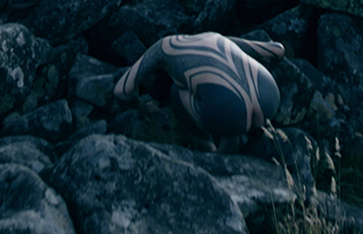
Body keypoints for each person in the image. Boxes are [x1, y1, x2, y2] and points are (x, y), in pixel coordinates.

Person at [113, 32, 287, 150]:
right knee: (220, 89)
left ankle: (209, 148)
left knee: (175, 92)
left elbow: (121, 90)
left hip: (229, 110)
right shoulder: (215, 36)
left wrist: (145, 107)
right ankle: (236, 136)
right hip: (269, 96)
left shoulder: (162, 48)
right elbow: (277, 49)